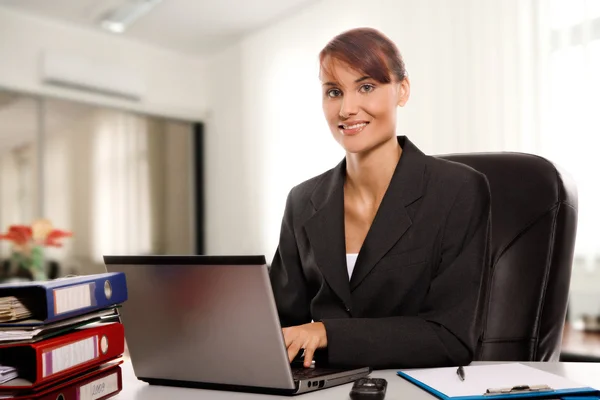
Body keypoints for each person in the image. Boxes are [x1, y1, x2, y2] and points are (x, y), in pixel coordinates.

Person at [269, 27, 491, 370]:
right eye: (333, 91)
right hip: (318, 388)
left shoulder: (458, 190)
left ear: (402, 90)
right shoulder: (302, 201)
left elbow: (452, 336)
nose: (347, 108)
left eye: (366, 87)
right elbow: (281, 325)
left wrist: (329, 333)